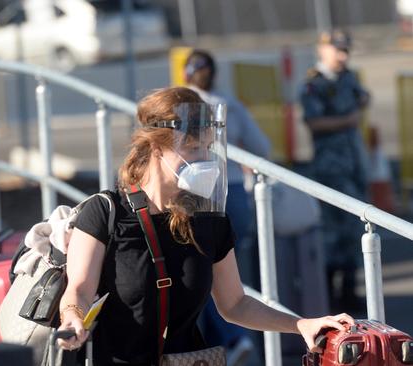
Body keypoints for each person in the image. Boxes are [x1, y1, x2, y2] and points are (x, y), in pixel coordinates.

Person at [56, 87, 353, 365]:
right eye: (194, 147)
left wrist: (300, 324)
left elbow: (235, 304)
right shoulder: (105, 213)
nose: (204, 160)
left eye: (208, 147)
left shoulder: (209, 221)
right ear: (156, 148)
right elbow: (79, 289)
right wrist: (72, 318)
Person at [183, 49, 272, 365]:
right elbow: (262, 147)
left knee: (200, 273)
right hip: (233, 191)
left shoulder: (179, 106)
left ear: (185, 74)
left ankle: (225, 341)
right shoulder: (229, 103)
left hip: (195, 194)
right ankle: (240, 337)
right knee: (235, 276)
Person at [300, 29, 370, 313]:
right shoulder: (313, 84)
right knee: (331, 232)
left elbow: (363, 97)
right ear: (323, 50)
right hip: (330, 168)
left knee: (354, 229)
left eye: (346, 51)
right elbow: (314, 123)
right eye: (338, 50)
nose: (343, 56)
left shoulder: (347, 77)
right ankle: (329, 292)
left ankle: (350, 290)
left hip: (353, 163)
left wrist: (359, 107)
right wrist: (348, 120)